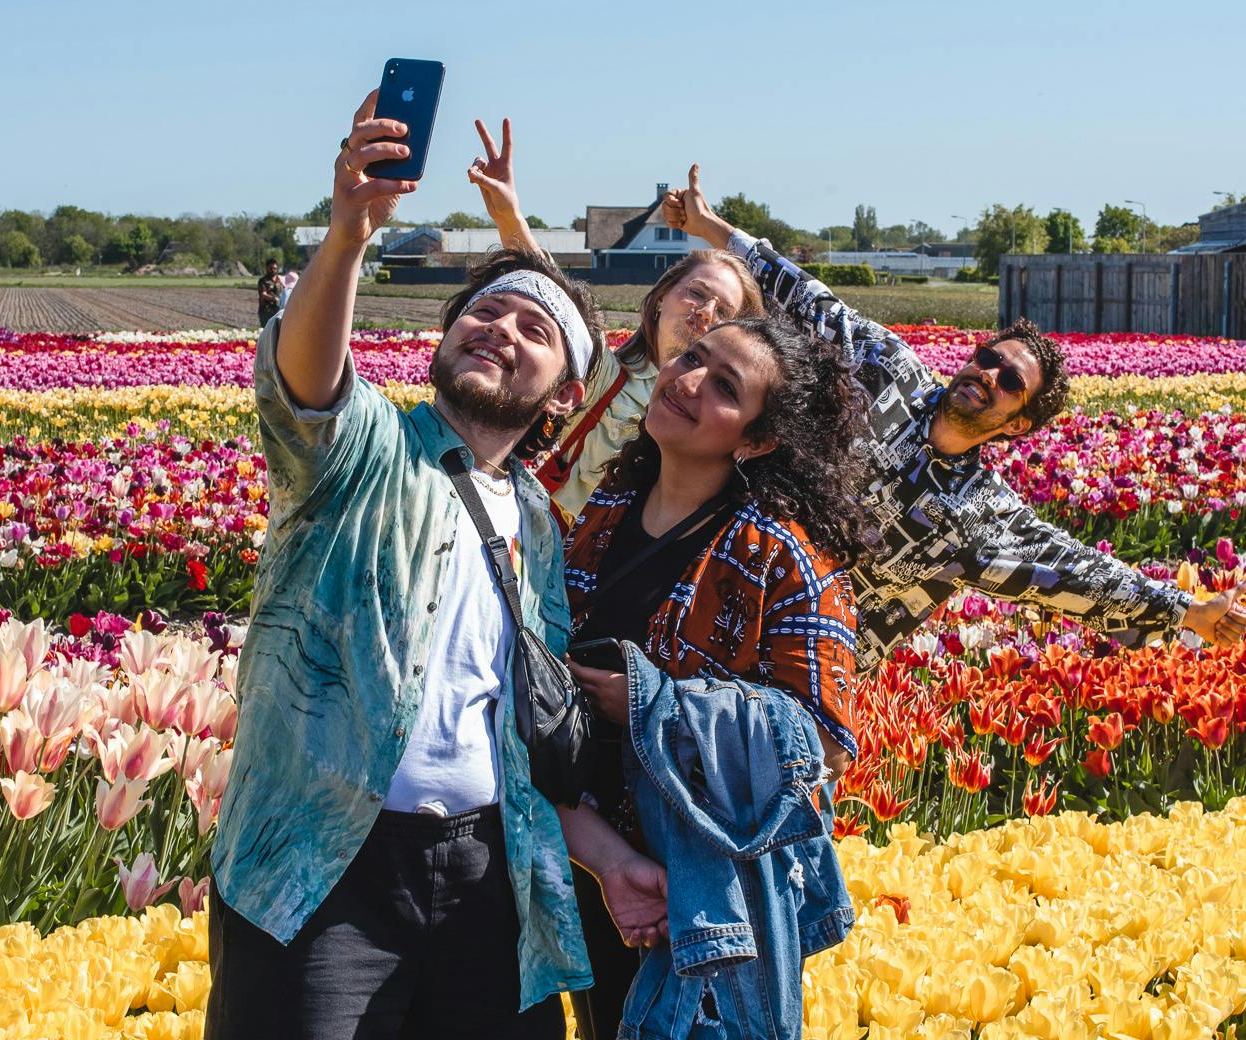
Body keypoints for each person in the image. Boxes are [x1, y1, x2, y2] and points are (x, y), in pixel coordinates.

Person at [206, 89, 668, 1040]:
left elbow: (517, 735)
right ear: (445, 338)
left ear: (562, 392)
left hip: (487, 880)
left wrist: (608, 858)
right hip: (320, 866)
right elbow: (307, 388)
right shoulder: (366, 453)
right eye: (483, 313)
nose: (499, 329)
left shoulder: (538, 524)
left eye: (534, 330)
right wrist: (348, 234)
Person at [662, 166, 1246, 670]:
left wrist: (1188, 610)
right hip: (711, 596)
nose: (988, 375)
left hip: (804, 670)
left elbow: (1081, 573)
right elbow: (809, 298)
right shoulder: (888, 370)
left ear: (1018, 424)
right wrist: (711, 229)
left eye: (1010, 383)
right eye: (988, 358)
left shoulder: (981, 515)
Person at [558, 316, 875, 1038]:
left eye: (725, 387)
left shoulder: (786, 558)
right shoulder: (609, 506)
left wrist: (656, 706)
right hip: (583, 847)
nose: (688, 381)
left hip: (698, 881)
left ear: (756, 442)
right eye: (692, 358)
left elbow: (821, 744)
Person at [468, 119, 765, 520]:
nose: (705, 312)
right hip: (551, 543)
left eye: (724, 311)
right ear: (661, 299)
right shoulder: (608, 378)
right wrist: (509, 216)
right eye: (696, 292)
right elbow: (557, 297)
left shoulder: (723, 420)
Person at [257, 258, 282, 327]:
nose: (273, 270)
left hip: (278, 310)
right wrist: (274, 298)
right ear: (267, 268)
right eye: (271, 268)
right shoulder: (263, 281)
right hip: (266, 311)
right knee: (266, 330)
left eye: (275, 268)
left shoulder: (280, 280)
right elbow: (263, 294)